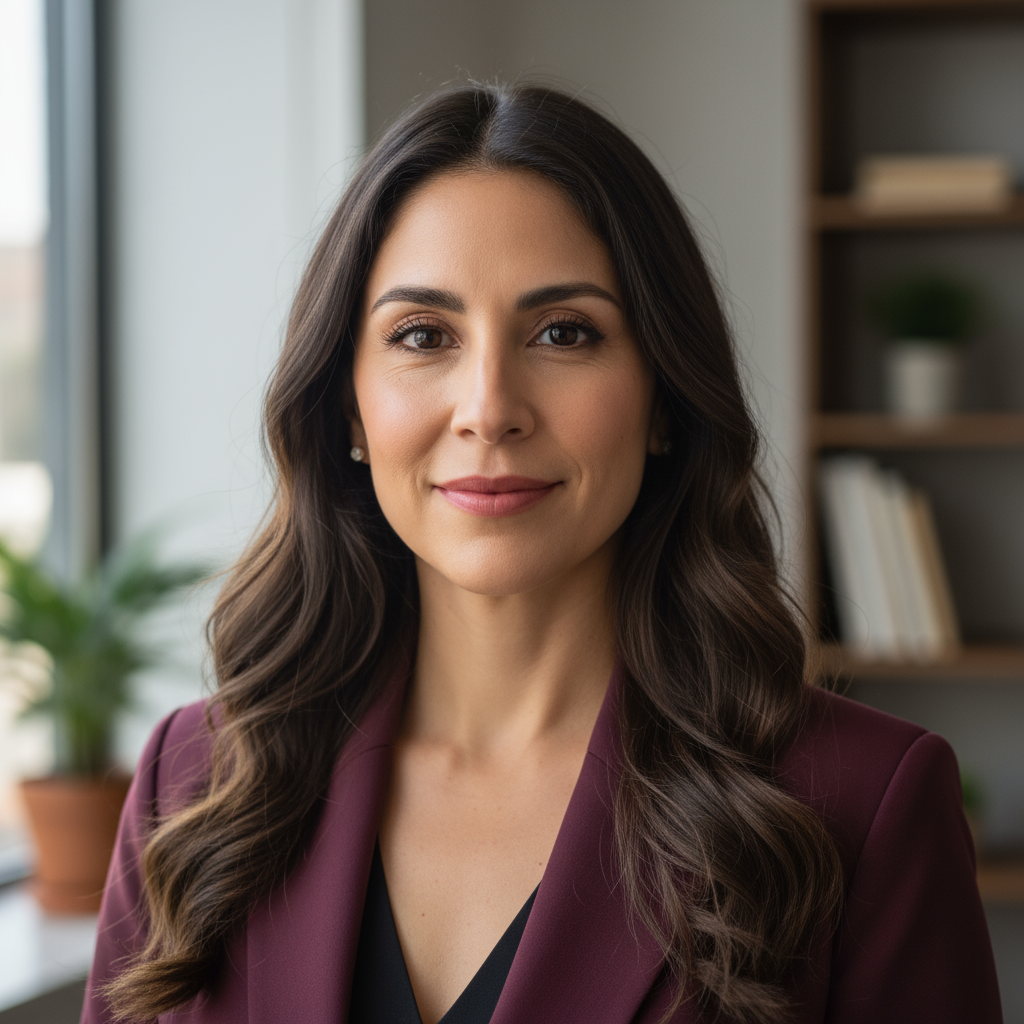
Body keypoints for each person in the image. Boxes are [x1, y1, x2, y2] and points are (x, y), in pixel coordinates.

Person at [81, 83, 1002, 1024]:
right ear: (348, 407)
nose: (489, 406)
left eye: (564, 333)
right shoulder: (193, 786)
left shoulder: (860, 805)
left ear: (662, 401)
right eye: (422, 336)